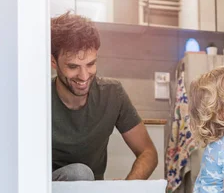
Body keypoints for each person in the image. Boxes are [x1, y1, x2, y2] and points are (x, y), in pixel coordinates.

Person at [50, 12, 158, 181]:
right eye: (73, 66)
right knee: (79, 173)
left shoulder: (112, 93)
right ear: (53, 62)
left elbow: (148, 152)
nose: (84, 76)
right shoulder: (39, 97)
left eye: (91, 64)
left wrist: (126, 187)